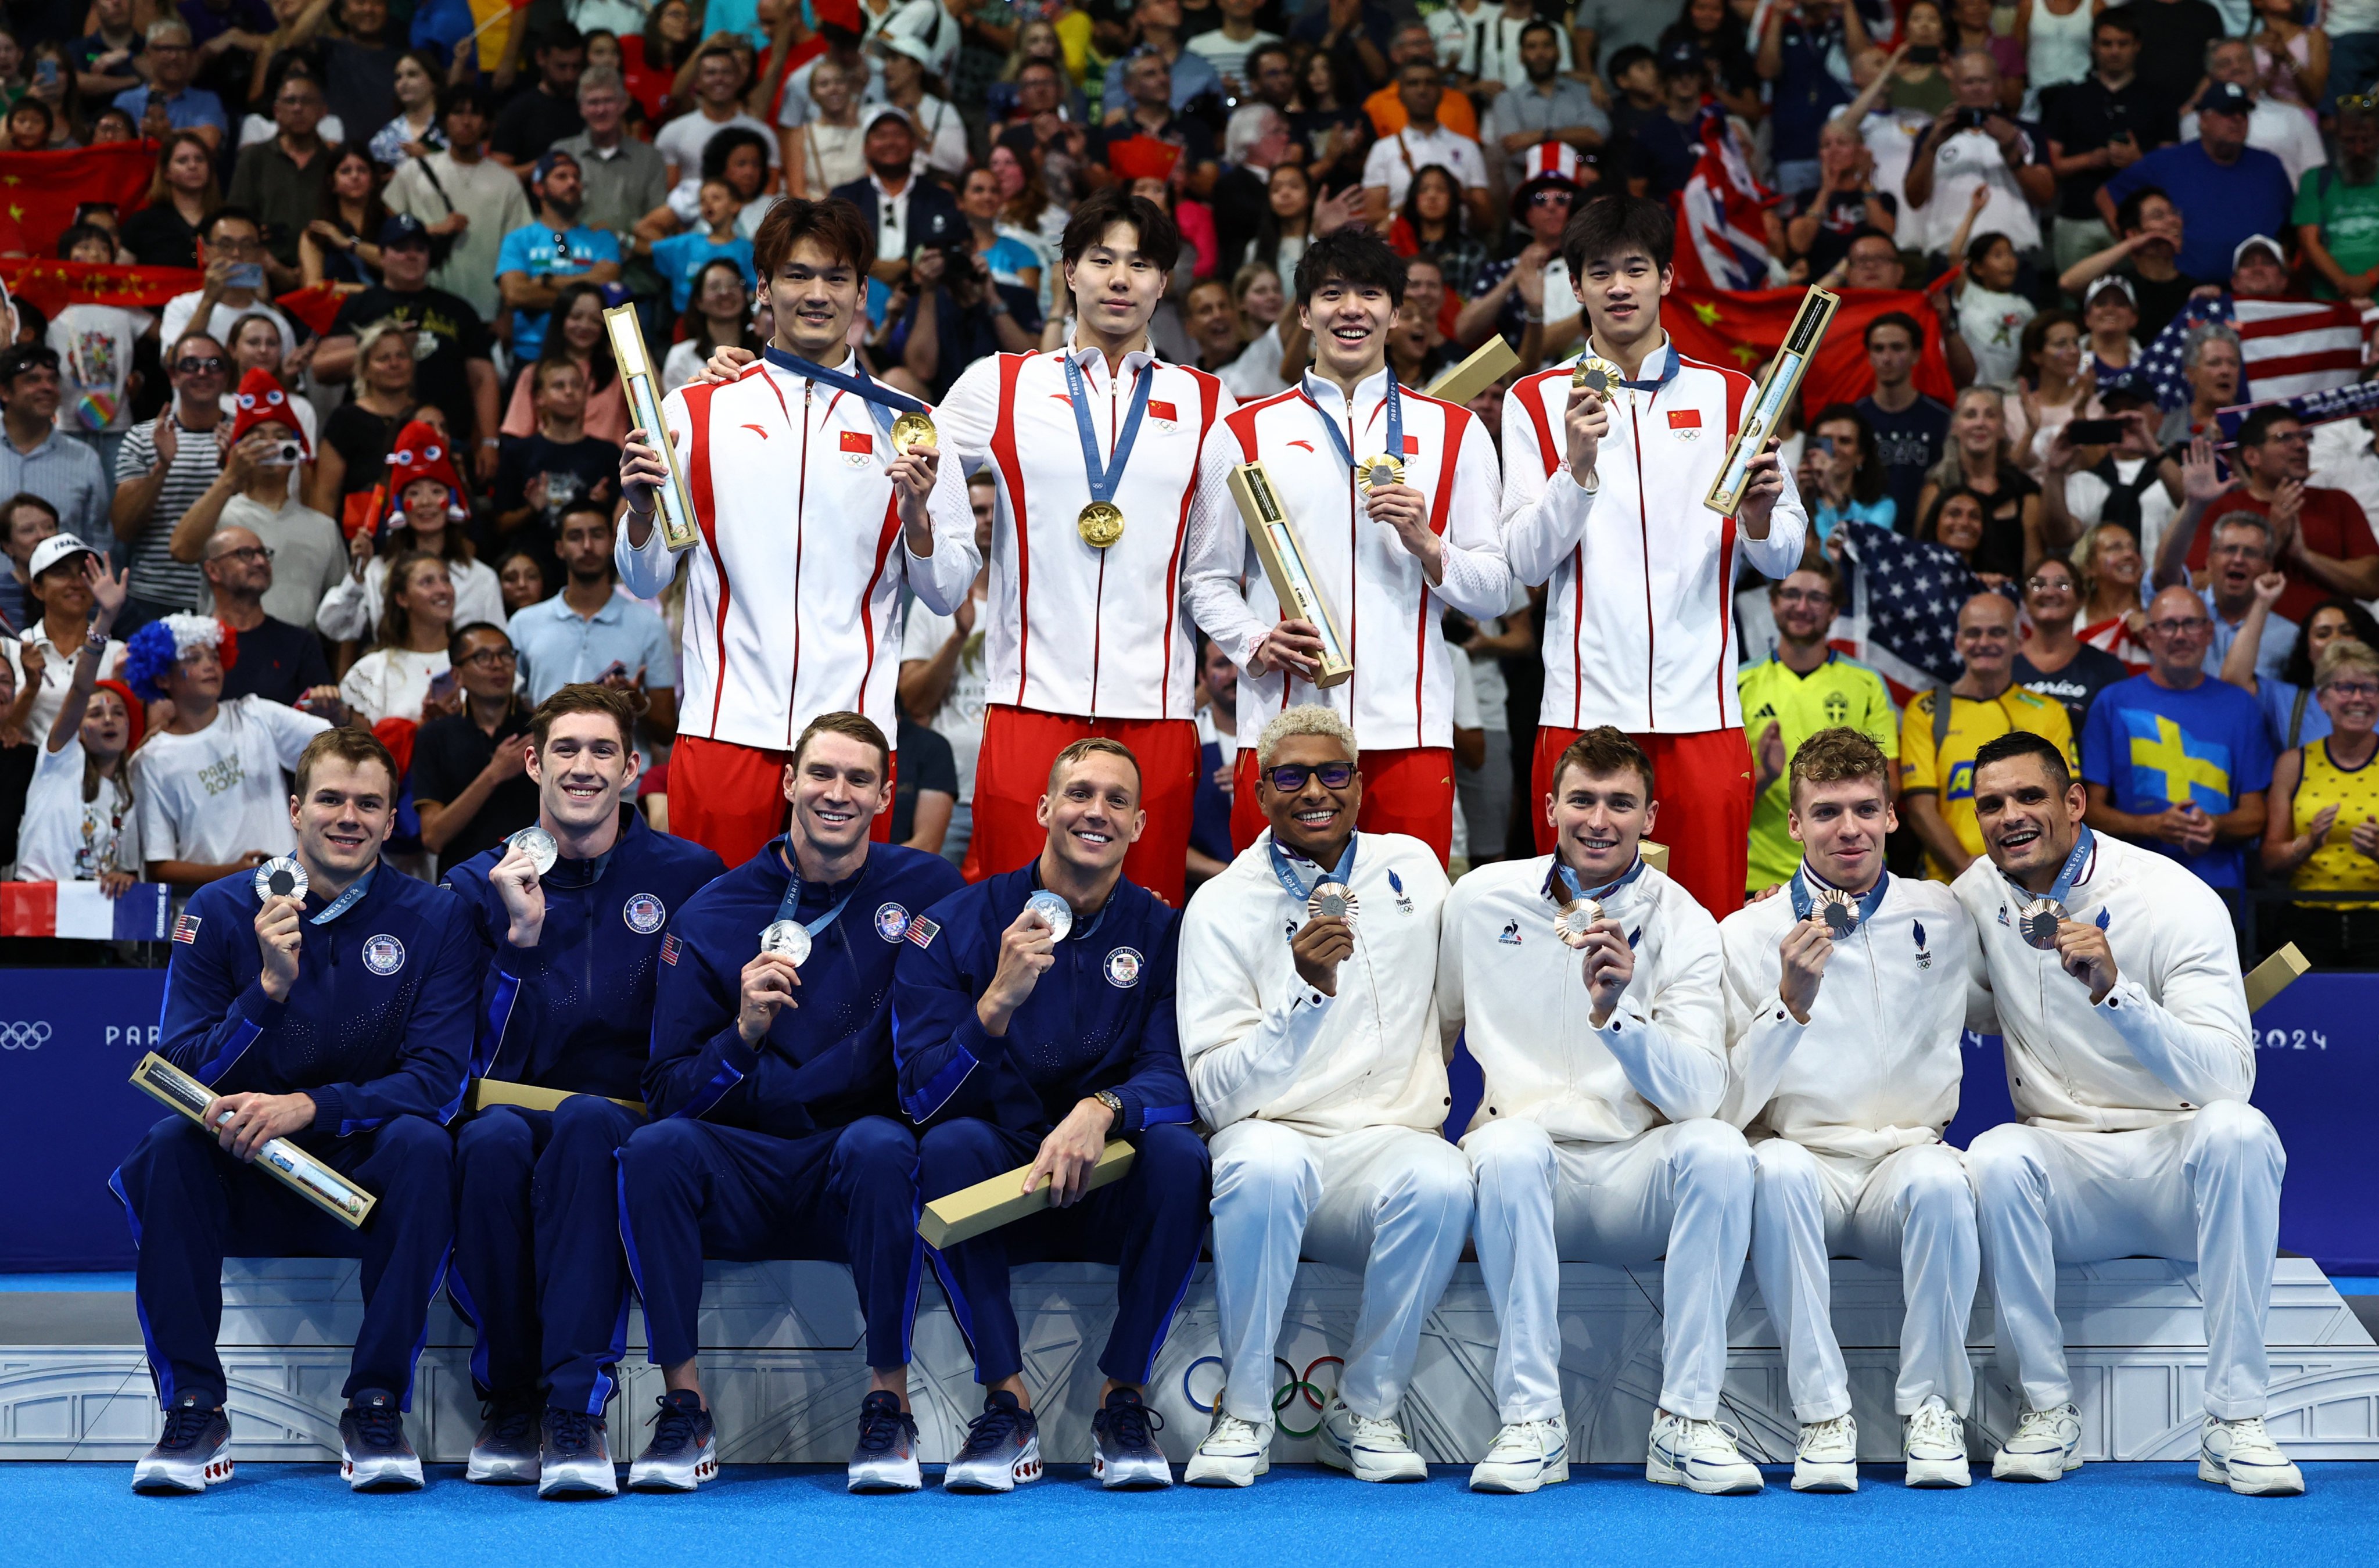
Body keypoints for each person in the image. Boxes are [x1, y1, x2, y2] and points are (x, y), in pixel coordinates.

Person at [114, 726, 473, 1494]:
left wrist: (309, 1106)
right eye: (332, 798)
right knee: (168, 1145)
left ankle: (376, 1405)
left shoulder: (435, 916)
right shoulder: (217, 908)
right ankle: (193, 1407)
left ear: (389, 818)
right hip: (241, 1164)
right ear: (295, 807)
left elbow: (439, 1080)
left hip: (359, 1170)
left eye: (369, 802)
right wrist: (266, 991)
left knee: (423, 1143)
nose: (349, 816)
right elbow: (176, 1069)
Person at [608, 711, 956, 1492]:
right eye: (822, 773)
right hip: (744, 1160)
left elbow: (941, 1043)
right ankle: (684, 1405)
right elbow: (665, 1091)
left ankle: (888, 1405)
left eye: (858, 778)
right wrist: (742, 1031)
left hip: (853, 1158)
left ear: (884, 794)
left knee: (881, 1145)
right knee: (653, 1148)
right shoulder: (714, 911)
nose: (837, 792)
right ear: (788, 781)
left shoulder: (929, 891)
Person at [1956, 730, 2302, 1495]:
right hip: (2067, 1170)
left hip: (2172, 1167)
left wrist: (2116, 992)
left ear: (2074, 802)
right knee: (1992, 1154)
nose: (2007, 815)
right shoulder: (1976, 893)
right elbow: (1929, 975)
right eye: (1989, 803)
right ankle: (2043, 1409)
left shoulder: (2172, 896)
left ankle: (2234, 1420)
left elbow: (2227, 1077)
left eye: (2028, 796)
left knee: (2239, 1134)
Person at [1443, 727, 1758, 1494]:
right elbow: (1435, 1026)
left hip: (1629, 1170)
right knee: (1509, 1148)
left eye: (1620, 802)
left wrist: (1618, 1016)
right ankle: (1530, 1420)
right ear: (1547, 807)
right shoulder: (1481, 898)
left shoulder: (1682, 918)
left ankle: (1686, 1421)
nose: (1598, 818)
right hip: (1523, 1161)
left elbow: (1695, 1096)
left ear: (1650, 817)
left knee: (1719, 1148)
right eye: (1581, 798)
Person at [618, 197, 975, 869]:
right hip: (725, 731)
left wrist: (920, 519)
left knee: (840, 956)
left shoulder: (914, 424)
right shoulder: (697, 407)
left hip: (852, 741)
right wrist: (639, 513)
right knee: (711, 939)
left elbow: (947, 589)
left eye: (837, 278)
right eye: (797, 275)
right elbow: (645, 578)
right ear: (763, 288)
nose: (818, 294)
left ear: (862, 293)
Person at [891, 736, 1206, 1491]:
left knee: (1180, 1156)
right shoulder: (955, 922)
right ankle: (1006, 1402)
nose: (1094, 810)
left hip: (1108, 1178)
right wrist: (993, 1005)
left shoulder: (1166, 933)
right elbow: (918, 1093)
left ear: (1137, 827)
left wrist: (1104, 1107)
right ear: (1042, 809)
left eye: (1115, 799)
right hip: (1003, 1187)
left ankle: (1121, 1398)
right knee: (949, 1146)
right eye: (1078, 793)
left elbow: (1179, 1074)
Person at [1167, 703, 1469, 1487]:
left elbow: (1448, 1009)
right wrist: (1302, 995)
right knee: (1261, 1165)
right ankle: (1242, 1410)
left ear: (1359, 783)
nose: (1314, 791)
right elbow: (1215, 1091)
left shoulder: (1413, 867)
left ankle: (1363, 1408)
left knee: (1440, 1176)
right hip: (1272, 1134)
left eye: (1332, 772)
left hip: (1380, 1139)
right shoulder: (1222, 904)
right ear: (1258, 790)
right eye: (1291, 775)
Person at [436, 680, 724, 1491]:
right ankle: (510, 1401)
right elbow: (466, 1057)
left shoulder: (689, 876)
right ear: (531, 761)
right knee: (487, 1143)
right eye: (565, 748)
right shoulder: (474, 883)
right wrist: (519, 941)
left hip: (636, 1114)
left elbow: (702, 1027)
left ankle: (575, 1410)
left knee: (592, 1128)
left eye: (603, 750)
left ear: (633, 767)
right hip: (511, 1108)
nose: (583, 766)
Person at [1501, 195, 1807, 917]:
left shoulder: (1733, 395)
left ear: (1667, 278)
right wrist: (1575, 471)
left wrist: (1761, 516)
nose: (1619, 287)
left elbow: (1786, 555)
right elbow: (1523, 560)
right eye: (1600, 272)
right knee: (1581, 927)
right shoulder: (1535, 399)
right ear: (1574, 287)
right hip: (1582, 707)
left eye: (1635, 269)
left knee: (1709, 922)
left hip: (1703, 710)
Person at [1717, 727, 1982, 1491]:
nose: (1848, 829)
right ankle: (1821, 1415)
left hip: (1902, 1162)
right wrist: (1787, 1005)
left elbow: (2013, 1005)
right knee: (1770, 1167)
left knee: (1941, 1180)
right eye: (1825, 811)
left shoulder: (1946, 912)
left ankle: (1931, 1412)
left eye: (1865, 808)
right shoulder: (1745, 933)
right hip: (1804, 1159)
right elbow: (1724, 1103)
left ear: (1892, 816)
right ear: (1793, 823)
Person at [1193, 232, 1506, 864]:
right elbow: (1205, 577)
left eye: (1370, 293)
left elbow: (1496, 589)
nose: (1352, 309)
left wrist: (1428, 545)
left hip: (1409, 733)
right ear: (1304, 312)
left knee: (1406, 933)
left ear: (1396, 311)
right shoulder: (1245, 429)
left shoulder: (1455, 430)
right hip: (1284, 731)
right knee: (1273, 927)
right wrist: (1254, 639)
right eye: (1331, 293)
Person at [2081, 584, 2273, 892]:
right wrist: (2151, 826)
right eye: (2169, 625)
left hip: (2218, 887)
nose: (2181, 636)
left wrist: (2216, 825)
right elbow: (2089, 811)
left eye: (2192, 624)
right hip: (2132, 887)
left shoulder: (2241, 706)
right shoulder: (2112, 702)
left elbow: (2256, 816)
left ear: (2209, 633)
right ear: (2149, 637)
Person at [1739, 565, 1898, 894]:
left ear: (1834, 611)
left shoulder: (1866, 683)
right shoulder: (1738, 682)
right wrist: (1766, 774)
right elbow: (1720, 807)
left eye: (1816, 597)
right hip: (1760, 880)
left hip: (1849, 871)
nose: (1801, 606)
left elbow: (1887, 786)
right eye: (1792, 594)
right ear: (1772, 603)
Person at [1900, 593, 2076, 881]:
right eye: (1973, 633)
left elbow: (2060, 803)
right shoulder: (1924, 711)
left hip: (2033, 881)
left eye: (1997, 633)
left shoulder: (2048, 711)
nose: (1984, 643)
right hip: (1950, 883)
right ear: (1959, 643)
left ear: (2018, 642)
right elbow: (1921, 810)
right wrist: (1974, 878)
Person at [316, 217, 500, 484]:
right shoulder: (359, 306)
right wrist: (382, 344)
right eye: (401, 248)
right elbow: (322, 367)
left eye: (420, 248)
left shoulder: (458, 309)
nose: (411, 255)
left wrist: (489, 441)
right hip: (373, 439)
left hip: (446, 436)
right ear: (382, 255)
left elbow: (483, 378)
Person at [168, 369, 345, 633]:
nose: (270, 445)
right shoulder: (218, 514)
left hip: (299, 658)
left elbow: (342, 611)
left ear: (297, 450)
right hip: (225, 652)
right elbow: (181, 550)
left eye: (281, 438)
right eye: (258, 438)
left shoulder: (324, 528)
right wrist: (230, 475)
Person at [2172, 408, 2379, 626]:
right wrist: (2272, 541)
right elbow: (2196, 584)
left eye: (2303, 437)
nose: (2301, 446)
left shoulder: (2338, 502)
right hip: (2250, 643)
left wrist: (2305, 557)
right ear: (2252, 457)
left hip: (2330, 643)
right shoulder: (2224, 509)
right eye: (2285, 439)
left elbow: (2372, 584)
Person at [11, 548, 135, 885]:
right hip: (36, 911)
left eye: (118, 713)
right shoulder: (61, 756)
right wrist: (105, 619)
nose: (109, 720)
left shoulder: (128, 790)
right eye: (95, 714)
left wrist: (125, 877)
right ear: (77, 730)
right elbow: (81, 691)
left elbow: (126, 868)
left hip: (88, 918)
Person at [320, 422, 503, 643]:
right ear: (399, 505)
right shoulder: (378, 572)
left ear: (453, 501)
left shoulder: (481, 579)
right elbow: (333, 626)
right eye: (414, 493)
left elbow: (497, 645)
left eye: (437, 491)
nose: (426, 503)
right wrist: (357, 575)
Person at [2099, 83, 2292, 286]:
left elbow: (2289, 225)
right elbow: (2105, 196)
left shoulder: (2269, 165)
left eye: (2243, 113)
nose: (2238, 119)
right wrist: (2138, 249)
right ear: (2203, 120)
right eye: (2227, 112)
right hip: (2186, 290)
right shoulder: (2167, 163)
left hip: (2256, 290)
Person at [2260, 640, 2379, 967]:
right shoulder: (2293, 764)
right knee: (2297, 1012)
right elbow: (2270, 860)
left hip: (2375, 920)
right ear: (2323, 699)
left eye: (2369, 688)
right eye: (2346, 687)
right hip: (2305, 920)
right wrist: (2308, 843)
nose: (2358, 698)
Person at [899, 472, 993, 868]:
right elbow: (912, 700)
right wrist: (958, 637)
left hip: (1016, 790)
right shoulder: (935, 598)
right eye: (978, 511)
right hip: (949, 792)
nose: (988, 519)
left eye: (995, 510)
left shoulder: (1036, 603)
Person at [381, 82, 533, 322]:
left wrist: (507, 314)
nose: (466, 121)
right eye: (458, 112)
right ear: (444, 119)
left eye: (475, 113)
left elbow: (518, 250)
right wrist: (435, 230)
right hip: (421, 305)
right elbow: (389, 236)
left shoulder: (507, 181)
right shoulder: (414, 172)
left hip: (486, 308)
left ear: (486, 122)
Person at [2040, 12, 2176, 278]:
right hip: (2077, 216)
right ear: (2093, 46)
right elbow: (2050, 164)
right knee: (2072, 299)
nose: (2114, 52)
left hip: (2137, 225)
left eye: (2123, 44)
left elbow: (2172, 165)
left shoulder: (2159, 98)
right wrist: (2091, 159)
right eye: (2106, 43)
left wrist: (2140, 160)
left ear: (2137, 46)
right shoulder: (2069, 98)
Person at [112, 333, 230, 630]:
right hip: (153, 596)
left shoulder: (244, 438)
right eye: (191, 365)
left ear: (227, 376)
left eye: (214, 364)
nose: (203, 373)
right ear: (173, 376)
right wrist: (162, 467)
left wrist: (235, 470)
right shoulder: (143, 438)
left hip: (228, 592)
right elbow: (124, 528)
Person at [1900, 51, 2052, 265]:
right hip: (1949, 256)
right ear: (1953, 87)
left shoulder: (2026, 133)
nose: (1977, 88)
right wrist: (1931, 148)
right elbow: (1914, 199)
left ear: (1998, 85)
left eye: (1984, 81)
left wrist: (2012, 155)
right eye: (1968, 82)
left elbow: (2045, 197)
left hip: (2013, 256)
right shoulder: (1931, 135)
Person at [556, 67, 673, 306]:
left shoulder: (649, 158)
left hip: (634, 284)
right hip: (574, 282)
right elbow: (551, 219)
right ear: (581, 108)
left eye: (608, 101)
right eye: (593, 102)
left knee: (627, 346)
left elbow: (658, 224)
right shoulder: (562, 154)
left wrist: (623, 241)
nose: (601, 109)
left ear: (623, 104)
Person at [497, 152, 625, 371]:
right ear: (539, 188)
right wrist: (585, 298)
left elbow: (607, 283)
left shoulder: (601, 238)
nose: (572, 183)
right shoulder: (519, 240)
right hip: (532, 354)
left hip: (593, 359)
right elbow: (515, 294)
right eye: (562, 177)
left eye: (576, 177)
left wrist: (545, 281)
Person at [1359, 56, 1490, 234]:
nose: (1422, 90)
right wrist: (1415, 204)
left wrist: (1462, 198)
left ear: (1442, 91)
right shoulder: (1383, 150)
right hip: (1403, 250)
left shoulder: (1467, 147)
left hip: (1457, 248)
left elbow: (1487, 221)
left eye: (1430, 83)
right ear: (1400, 94)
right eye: (1413, 83)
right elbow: (1372, 217)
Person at [0, 344, 111, 547]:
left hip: (62, 579)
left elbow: (98, 541)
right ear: (5, 392)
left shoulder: (84, 459)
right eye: (33, 380)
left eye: (53, 380)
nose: (47, 387)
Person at [159, 209, 298, 364]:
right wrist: (208, 301)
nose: (236, 254)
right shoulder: (182, 307)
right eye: (225, 245)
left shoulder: (276, 322)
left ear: (260, 254)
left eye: (247, 246)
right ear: (205, 251)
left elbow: (289, 383)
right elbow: (173, 364)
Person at [1853, 313, 1948, 542]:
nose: (1887, 358)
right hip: (1863, 540)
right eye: (1879, 349)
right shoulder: (1853, 422)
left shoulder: (1943, 420)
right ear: (1869, 356)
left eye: (1897, 348)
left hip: (1925, 542)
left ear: (1916, 354)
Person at [1480, 19, 1607, 186]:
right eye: (1532, 47)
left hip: (1581, 185)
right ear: (1521, 56)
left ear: (1559, 52)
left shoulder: (1583, 92)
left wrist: (1541, 135)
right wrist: (1573, 141)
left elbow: (1596, 136)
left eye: (1547, 45)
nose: (1540, 53)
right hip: (1528, 188)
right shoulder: (1507, 100)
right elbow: (1515, 149)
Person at [339, 551, 455, 728]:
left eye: (446, 580)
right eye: (428, 582)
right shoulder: (373, 669)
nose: (443, 590)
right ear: (402, 598)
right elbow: (358, 747)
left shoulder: (475, 663)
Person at [2013, 556, 2130, 726]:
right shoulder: (2003, 667)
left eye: (2062, 584)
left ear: (2081, 599)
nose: (2050, 592)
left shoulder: (2107, 669)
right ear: (2025, 599)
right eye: (2038, 584)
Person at [2296, 101, 2379, 302]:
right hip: (2332, 300)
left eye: (2366, 140)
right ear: (2337, 140)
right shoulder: (2315, 180)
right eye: (2350, 141)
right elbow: (2309, 241)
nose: (2359, 150)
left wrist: (2369, 279)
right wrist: (2344, 283)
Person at [490, 24, 587, 173]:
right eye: (562, 67)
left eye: (576, 67)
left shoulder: (591, 107)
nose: (570, 76)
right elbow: (499, 174)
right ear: (541, 58)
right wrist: (547, 164)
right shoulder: (519, 110)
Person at [0, 491, 60, 634]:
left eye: (49, 527)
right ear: (8, 546)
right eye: (28, 530)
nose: (42, 536)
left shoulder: (84, 588)